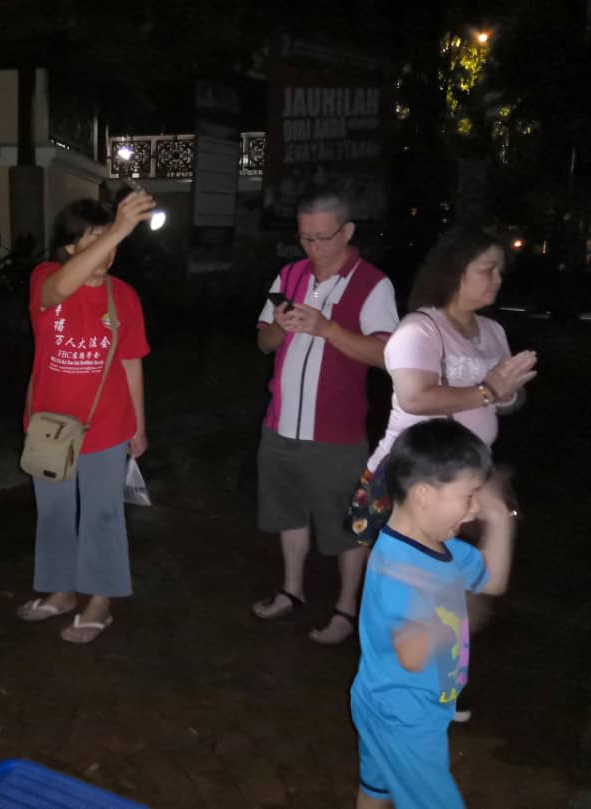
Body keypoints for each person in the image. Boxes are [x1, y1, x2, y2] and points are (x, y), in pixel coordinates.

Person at [349, 224, 537, 721]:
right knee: (415, 588)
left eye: (500, 270)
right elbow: (415, 397)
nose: (497, 279)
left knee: (460, 585)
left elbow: (502, 400)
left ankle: (444, 677)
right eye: (486, 269)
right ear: (455, 272)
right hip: (414, 482)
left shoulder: (492, 331)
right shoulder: (420, 329)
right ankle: (403, 684)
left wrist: (508, 393)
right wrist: (488, 390)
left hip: (466, 479)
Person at [251, 187, 399, 644]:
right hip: (279, 424)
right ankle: (291, 590)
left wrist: (328, 328)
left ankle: (346, 608)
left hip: (336, 432)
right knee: (287, 513)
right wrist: (280, 328)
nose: (313, 247)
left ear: (348, 231)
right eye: (305, 238)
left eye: (323, 237)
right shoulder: (289, 275)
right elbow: (263, 342)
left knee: (347, 527)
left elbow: (386, 355)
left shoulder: (373, 283)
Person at [352, 418, 515, 809]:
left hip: (385, 701)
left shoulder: (440, 547)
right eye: (468, 496)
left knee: (376, 788)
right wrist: (462, 609)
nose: (474, 511)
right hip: (405, 715)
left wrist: (499, 520)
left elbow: (492, 580)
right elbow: (411, 655)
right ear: (424, 495)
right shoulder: (397, 568)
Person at [15, 193, 152, 644]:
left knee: (102, 514)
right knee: (54, 512)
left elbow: (131, 362)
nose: (107, 252)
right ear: (69, 247)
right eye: (93, 242)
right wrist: (118, 227)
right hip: (50, 426)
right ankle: (61, 591)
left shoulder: (124, 297)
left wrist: (138, 426)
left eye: (111, 241)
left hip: (106, 424)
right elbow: (58, 291)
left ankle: (100, 599)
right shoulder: (45, 279)